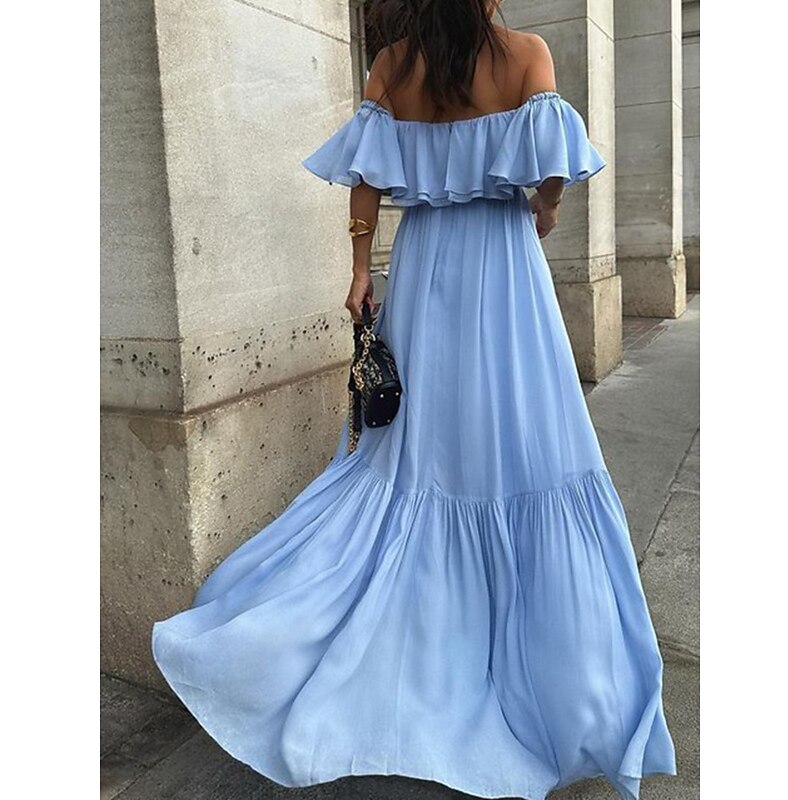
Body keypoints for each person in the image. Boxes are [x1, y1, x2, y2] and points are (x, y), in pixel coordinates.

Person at [152, 2, 678, 799]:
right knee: (520, 434)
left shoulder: (392, 66)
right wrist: (542, 207)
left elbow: (366, 184)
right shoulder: (527, 54)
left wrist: (361, 271)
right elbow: (552, 172)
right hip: (504, 268)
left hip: (424, 268)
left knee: (418, 446)